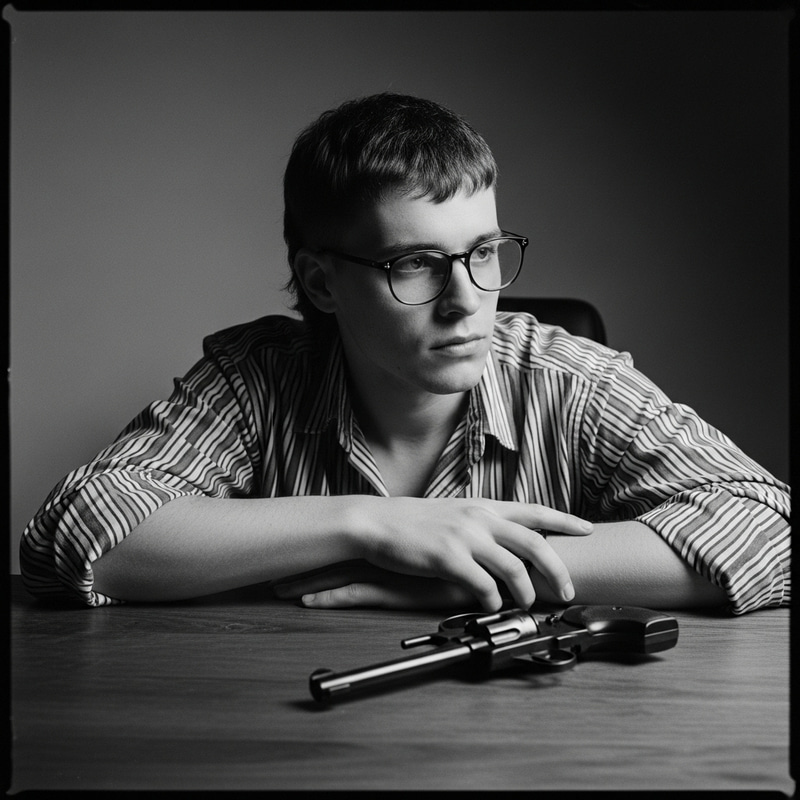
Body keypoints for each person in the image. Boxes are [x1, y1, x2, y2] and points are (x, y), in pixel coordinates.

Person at [20, 93, 790, 615]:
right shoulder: (256, 381)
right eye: (413, 264)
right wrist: (376, 527)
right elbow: (77, 534)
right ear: (321, 283)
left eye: (483, 251)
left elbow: (770, 527)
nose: (468, 298)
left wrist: (465, 573)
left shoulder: (569, 380)